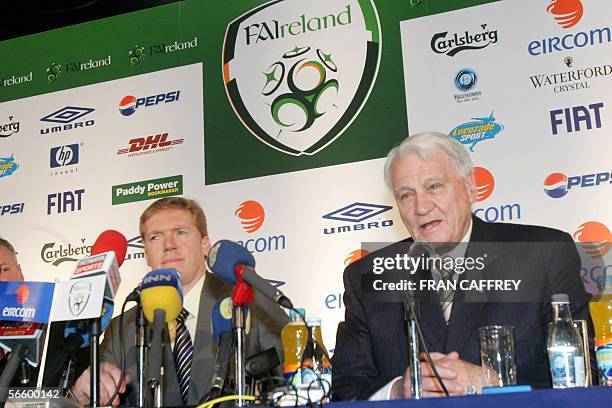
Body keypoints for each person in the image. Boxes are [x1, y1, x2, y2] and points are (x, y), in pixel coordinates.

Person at [331, 131, 593, 400]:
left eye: (434, 186)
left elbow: (584, 373)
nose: (421, 206)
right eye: (406, 195)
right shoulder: (369, 276)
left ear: (470, 187)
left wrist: (495, 381)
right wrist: (397, 392)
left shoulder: (543, 254)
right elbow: (345, 389)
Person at [71, 197, 288, 406]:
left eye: (181, 233)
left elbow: (305, 378)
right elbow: (93, 395)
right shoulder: (122, 328)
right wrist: (80, 396)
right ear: (146, 254)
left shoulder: (250, 304)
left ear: (205, 245)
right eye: (155, 237)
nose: (169, 245)